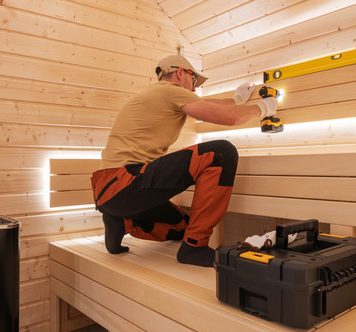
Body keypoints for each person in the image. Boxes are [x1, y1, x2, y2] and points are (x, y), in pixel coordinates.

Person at [91, 55, 277, 267]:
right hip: (125, 182)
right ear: (181, 73)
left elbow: (207, 104)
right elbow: (230, 118)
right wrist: (264, 108)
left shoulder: (157, 95)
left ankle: (121, 221)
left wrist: (236, 100)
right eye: (193, 81)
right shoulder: (169, 91)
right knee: (222, 153)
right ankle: (194, 248)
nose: (194, 89)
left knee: (183, 227)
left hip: (107, 192)